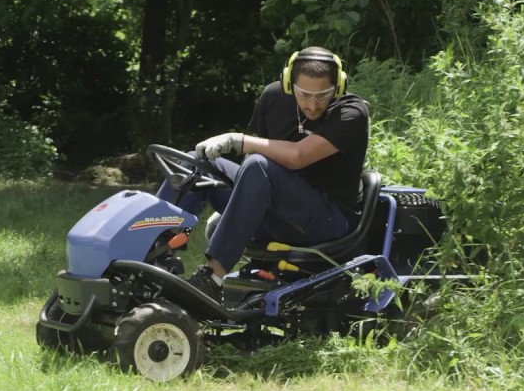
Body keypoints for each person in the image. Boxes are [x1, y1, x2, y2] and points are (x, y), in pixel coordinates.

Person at [156, 46, 370, 302]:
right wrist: (238, 201)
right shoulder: (273, 98)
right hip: (274, 205)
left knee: (258, 165)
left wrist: (238, 140)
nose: (312, 105)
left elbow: (296, 156)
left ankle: (212, 278)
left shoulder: (352, 112)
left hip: (326, 219)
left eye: (322, 95)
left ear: (339, 87)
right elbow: (256, 159)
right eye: (304, 94)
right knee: (195, 163)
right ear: (290, 84)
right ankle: (153, 258)